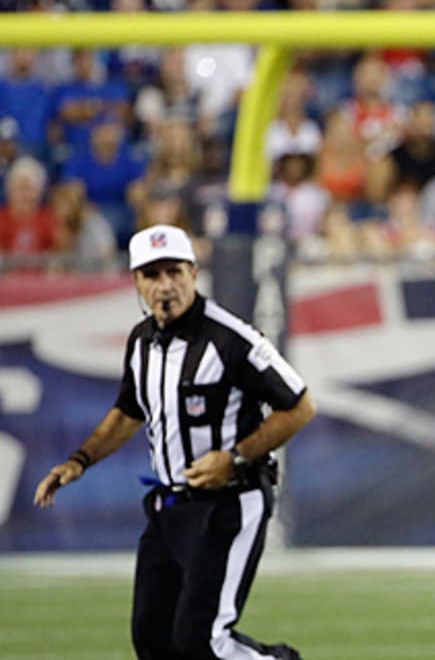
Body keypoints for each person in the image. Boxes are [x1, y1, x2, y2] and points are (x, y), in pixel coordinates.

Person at [33, 224, 316, 660]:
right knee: (153, 640)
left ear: (194, 273)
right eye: (152, 275)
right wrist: (80, 460)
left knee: (202, 643)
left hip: (229, 503)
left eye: (174, 272)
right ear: (136, 283)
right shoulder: (142, 342)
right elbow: (129, 412)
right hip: (170, 506)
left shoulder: (230, 338)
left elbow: (299, 405)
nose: (165, 285)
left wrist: (235, 458)